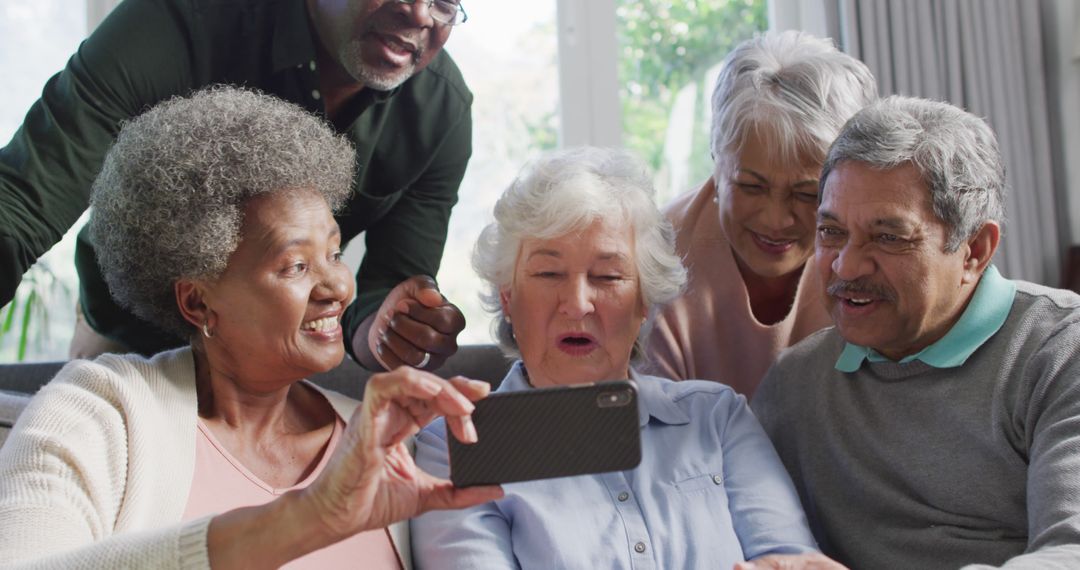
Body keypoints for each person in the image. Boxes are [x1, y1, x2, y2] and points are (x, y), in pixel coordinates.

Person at [0, 87, 502, 568]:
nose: (337, 289)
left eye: (333, 253)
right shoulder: (98, 417)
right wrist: (308, 516)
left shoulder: (386, 442)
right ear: (197, 302)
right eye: (296, 267)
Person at [0, 0, 472, 372]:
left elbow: (388, 290)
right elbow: (21, 202)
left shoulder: (441, 110)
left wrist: (390, 333)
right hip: (129, 345)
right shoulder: (179, 22)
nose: (417, 12)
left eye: (444, 1)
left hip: (280, 367)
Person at [410, 147, 824, 569]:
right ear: (509, 298)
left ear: (643, 302)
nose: (577, 304)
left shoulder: (717, 418)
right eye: (549, 274)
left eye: (607, 276)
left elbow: (791, 561)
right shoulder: (455, 447)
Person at [751, 96, 1080, 568]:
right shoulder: (796, 381)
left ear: (974, 251)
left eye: (889, 237)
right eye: (831, 232)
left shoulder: (1060, 350)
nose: (846, 265)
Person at [646, 31, 877, 397]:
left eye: (806, 193)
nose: (775, 220)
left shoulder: (875, 253)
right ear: (715, 162)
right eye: (751, 186)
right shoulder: (657, 255)